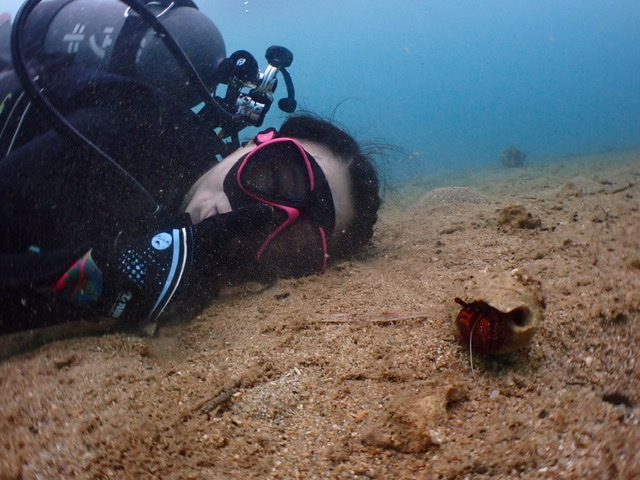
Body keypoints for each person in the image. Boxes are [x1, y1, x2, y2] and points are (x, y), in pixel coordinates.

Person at [0, 1, 381, 336]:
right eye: (273, 177)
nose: (252, 218)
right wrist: (107, 283)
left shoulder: (194, 266)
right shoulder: (129, 134)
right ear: (253, 143)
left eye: (295, 245)